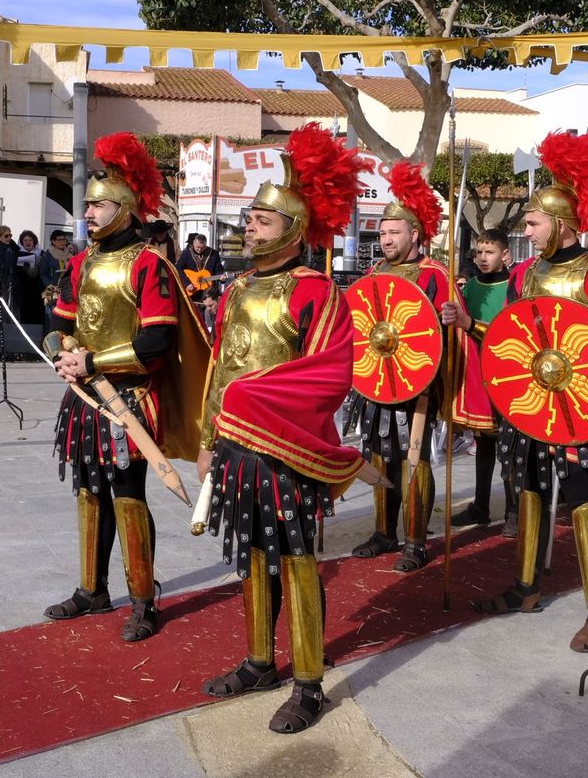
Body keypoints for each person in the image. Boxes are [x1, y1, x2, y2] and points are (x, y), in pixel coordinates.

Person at [445, 132, 588, 655]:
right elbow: (509, 341)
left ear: (562, 223)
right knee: (526, 492)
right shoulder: (523, 274)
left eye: (532, 222)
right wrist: (468, 324)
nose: (524, 231)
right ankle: (526, 587)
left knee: (583, 499)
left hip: (578, 412)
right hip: (528, 408)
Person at [195, 122, 373, 734]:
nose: (249, 226)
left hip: (288, 452)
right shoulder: (237, 288)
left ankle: (307, 682)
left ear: (294, 231)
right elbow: (220, 367)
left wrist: (250, 401)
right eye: (249, 218)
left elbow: (329, 376)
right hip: (234, 448)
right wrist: (205, 438)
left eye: (262, 221)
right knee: (249, 558)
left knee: (296, 559)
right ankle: (256, 660)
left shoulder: (317, 292)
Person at [42, 132, 208, 644]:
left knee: (127, 495)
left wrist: (88, 358)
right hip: (85, 398)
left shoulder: (149, 264)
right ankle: (93, 589)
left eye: (97, 204)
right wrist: (60, 354)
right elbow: (59, 320)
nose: (88, 212)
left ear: (126, 207)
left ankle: (143, 597)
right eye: (87, 204)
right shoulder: (82, 262)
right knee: (88, 491)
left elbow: (155, 341)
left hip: (129, 399)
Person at [351, 158, 463, 574]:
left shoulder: (435, 274)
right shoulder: (377, 270)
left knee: (413, 457)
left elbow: (448, 335)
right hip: (376, 378)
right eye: (382, 233)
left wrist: (452, 323)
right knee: (379, 454)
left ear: (414, 234)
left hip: (419, 383)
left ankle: (415, 540)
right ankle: (384, 532)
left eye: (393, 232)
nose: (385, 239)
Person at [447, 230, 516, 535]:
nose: (482, 258)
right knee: (484, 443)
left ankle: (514, 510)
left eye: (489, 252)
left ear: (505, 255)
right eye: (478, 252)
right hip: (478, 374)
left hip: (509, 373)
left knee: (510, 447)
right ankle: (481, 505)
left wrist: (471, 325)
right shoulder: (469, 287)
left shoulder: (515, 286)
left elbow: (510, 332)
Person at [177, 232, 226, 328]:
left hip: (209, 294)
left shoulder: (213, 254)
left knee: (210, 322)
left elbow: (218, 270)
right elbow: (178, 268)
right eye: (197, 247)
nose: (199, 250)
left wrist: (221, 279)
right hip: (193, 292)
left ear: (206, 244)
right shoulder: (186, 253)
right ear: (194, 243)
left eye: (202, 248)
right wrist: (187, 283)